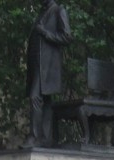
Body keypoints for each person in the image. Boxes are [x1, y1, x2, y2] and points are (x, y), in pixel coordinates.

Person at [23, 0, 72, 147]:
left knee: (35, 97)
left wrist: (45, 33)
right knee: (46, 101)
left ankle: (34, 137)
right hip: (36, 65)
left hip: (48, 65)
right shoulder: (41, 13)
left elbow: (67, 36)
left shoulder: (59, 11)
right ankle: (46, 138)